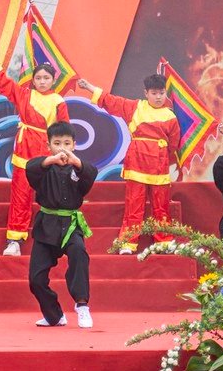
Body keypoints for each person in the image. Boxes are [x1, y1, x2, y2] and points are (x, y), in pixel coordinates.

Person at [0, 41, 70, 256]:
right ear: (33, 80)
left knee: (51, 196)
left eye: (46, 78)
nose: (41, 81)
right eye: (38, 78)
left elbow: (64, 131)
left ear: (53, 79)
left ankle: (56, 239)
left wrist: (62, 152)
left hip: (49, 153)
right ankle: (14, 241)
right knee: (21, 195)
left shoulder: (58, 101)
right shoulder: (24, 95)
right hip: (24, 151)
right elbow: (3, 81)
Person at [75, 73, 182, 252]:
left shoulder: (170, 116)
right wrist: (89, 87)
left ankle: (164, 241)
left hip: (159, 167)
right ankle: (128, 243)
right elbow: (111, 101)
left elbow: (173, 144)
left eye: (162, 93)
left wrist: (161, 155)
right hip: (137, 164)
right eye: (154, 93)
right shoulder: (135, 107)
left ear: (166, 94)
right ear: (146, 93)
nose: (158, 97)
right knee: (134, 205)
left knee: (161, 206)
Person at [25, 121, 96, 329]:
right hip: (46, 225)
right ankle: (54, 316)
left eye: (67, 143)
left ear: (74, 145)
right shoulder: (43, 169)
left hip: (71, 224)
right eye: (57, 143)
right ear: (49, 146)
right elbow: (31, 168)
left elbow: (91, 174)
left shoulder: (80, 169)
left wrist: (78, 163)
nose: (62, 147)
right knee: (35, 279)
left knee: (79, 253)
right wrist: (51, 160)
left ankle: (82, 305)